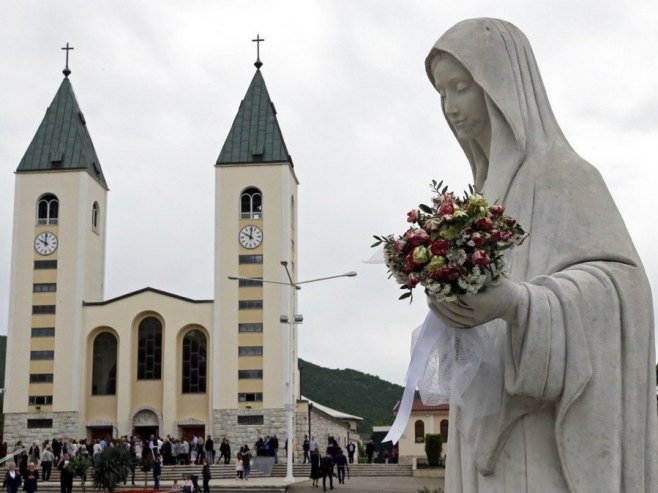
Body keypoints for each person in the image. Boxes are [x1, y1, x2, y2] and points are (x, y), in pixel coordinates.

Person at [420, 18, 657, 492]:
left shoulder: (565, 174)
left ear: (500, 85)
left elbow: (623, 290)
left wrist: (518, 304)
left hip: (542, 433)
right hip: (486, 419)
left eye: (461, 87)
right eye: (442, 92)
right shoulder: (480, 197)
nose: (449, 107)